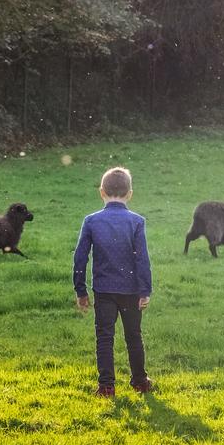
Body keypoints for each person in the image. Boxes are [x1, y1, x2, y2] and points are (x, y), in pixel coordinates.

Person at [73, 166, 154, 396]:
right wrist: (144, 290)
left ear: (102, 192)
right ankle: (140, 380)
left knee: (104, 337)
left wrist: (81, 291)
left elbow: (80, 257)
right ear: (129, 194)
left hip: (103, 290)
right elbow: (143, 259)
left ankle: (107, 385)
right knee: (133, 335)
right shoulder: (137, 222)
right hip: (130, 290)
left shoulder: (91, 221)